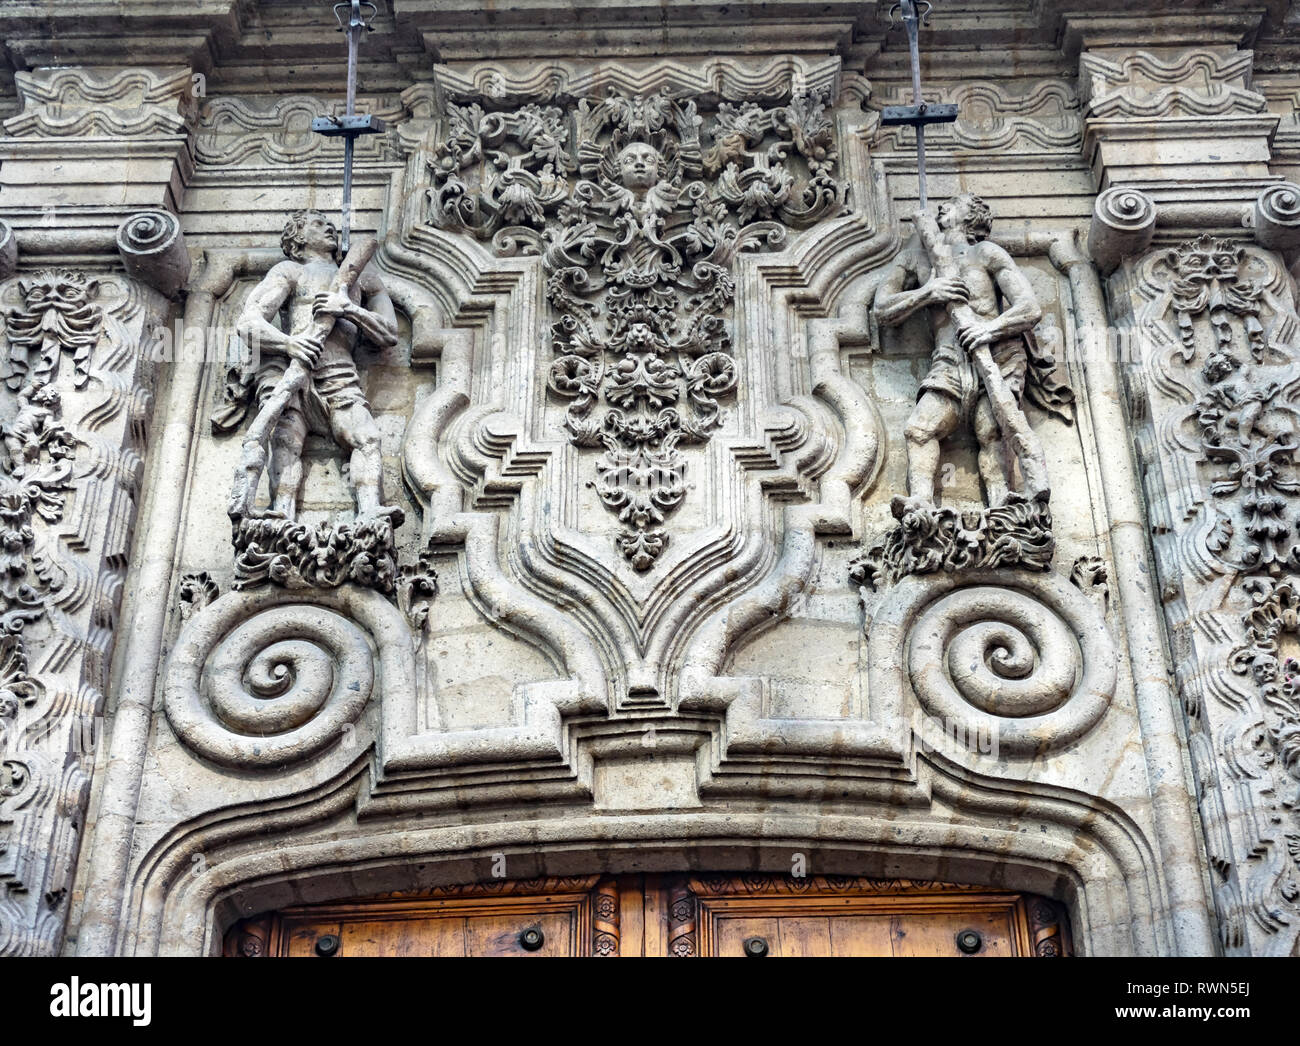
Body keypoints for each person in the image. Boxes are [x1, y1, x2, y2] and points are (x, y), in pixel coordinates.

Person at [873, 192, 1071, 510]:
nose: (941, 207)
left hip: (999, 352)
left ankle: (1001, 500)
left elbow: (1029, 308)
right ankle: (921, 501)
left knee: (991, 429)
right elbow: (882, 309)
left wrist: (987, 330)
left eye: (952, 204)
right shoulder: (914, 259)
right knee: (919, 429)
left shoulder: (985, 252)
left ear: (971, 217)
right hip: (949, 357)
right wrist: (927, 292)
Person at [232, 209, 400, 522]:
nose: (329, 226)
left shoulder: (362, 278)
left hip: (339, 370)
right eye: (317, 223)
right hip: (293, 366)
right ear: (297, 239)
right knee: (285, 441)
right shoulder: (290, 271)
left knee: (366, 438)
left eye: (329, 222)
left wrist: (349, 309)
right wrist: (288, 343)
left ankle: (370, 511)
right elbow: (249, 322)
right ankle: (280, 513)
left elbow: (389, 333)